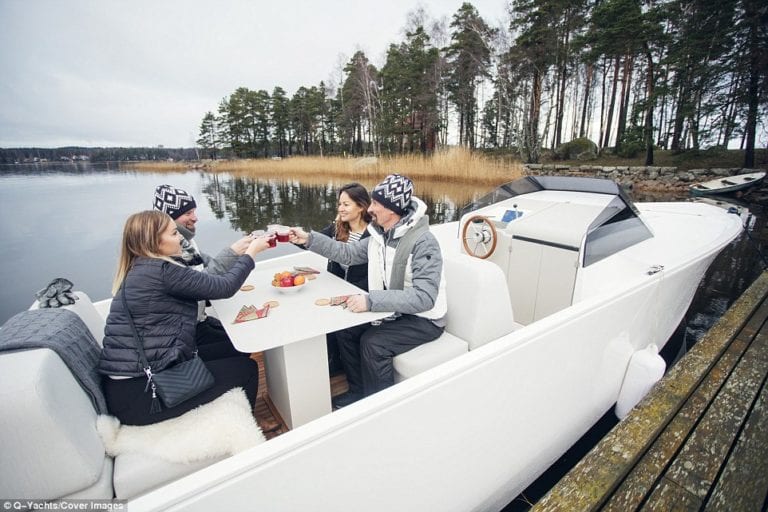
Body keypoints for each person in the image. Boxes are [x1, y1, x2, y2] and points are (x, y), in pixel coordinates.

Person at [98, 210, 272, 426]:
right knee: (246, 370)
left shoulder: (143, 266)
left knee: (236, 348)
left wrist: (236, 251)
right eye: (173, 234)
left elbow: (203, 280)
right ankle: (245, 426)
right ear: (154, 241)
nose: (180, 237)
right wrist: (251, 254)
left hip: (135, 379)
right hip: (141, 394)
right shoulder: (162, 271)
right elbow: (224, 287)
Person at [289, 174, 447, 408]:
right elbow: (348, 254)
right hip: (397, 309)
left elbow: (424, 298)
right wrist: (309, 239)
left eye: (375, 204)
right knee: (347, 330)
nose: (370, 209)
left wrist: (371, 301)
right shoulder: (380, 235)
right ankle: (358, 391)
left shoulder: (423, 242)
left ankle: (379, 407)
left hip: (424, 319)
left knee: (374, 343)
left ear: (392, 210)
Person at [153, 184, 254, 358]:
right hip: (183, 332)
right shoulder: (171, 251)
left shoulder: (187, 242)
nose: (195, 218)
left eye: (194, 211)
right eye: (188, 213)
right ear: (169, 220)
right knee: (240, 347)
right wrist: (246, 253)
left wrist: (238, 249)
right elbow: (206, 283)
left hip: (196, 320)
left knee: (243, 336)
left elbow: (210, 266)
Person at [317, 183, 372, 375]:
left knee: (342, 329)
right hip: (338, 291)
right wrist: (292, 235)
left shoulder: (373, 234)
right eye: (339, 203)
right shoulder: (337, 228)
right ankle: (335, 363)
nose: (340, 208)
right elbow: (313, 241)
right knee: (320, 316)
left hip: (361, 295)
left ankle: (354, 383)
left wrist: (348, 298)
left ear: (361, 206)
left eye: (346, 204)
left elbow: (374, 276)